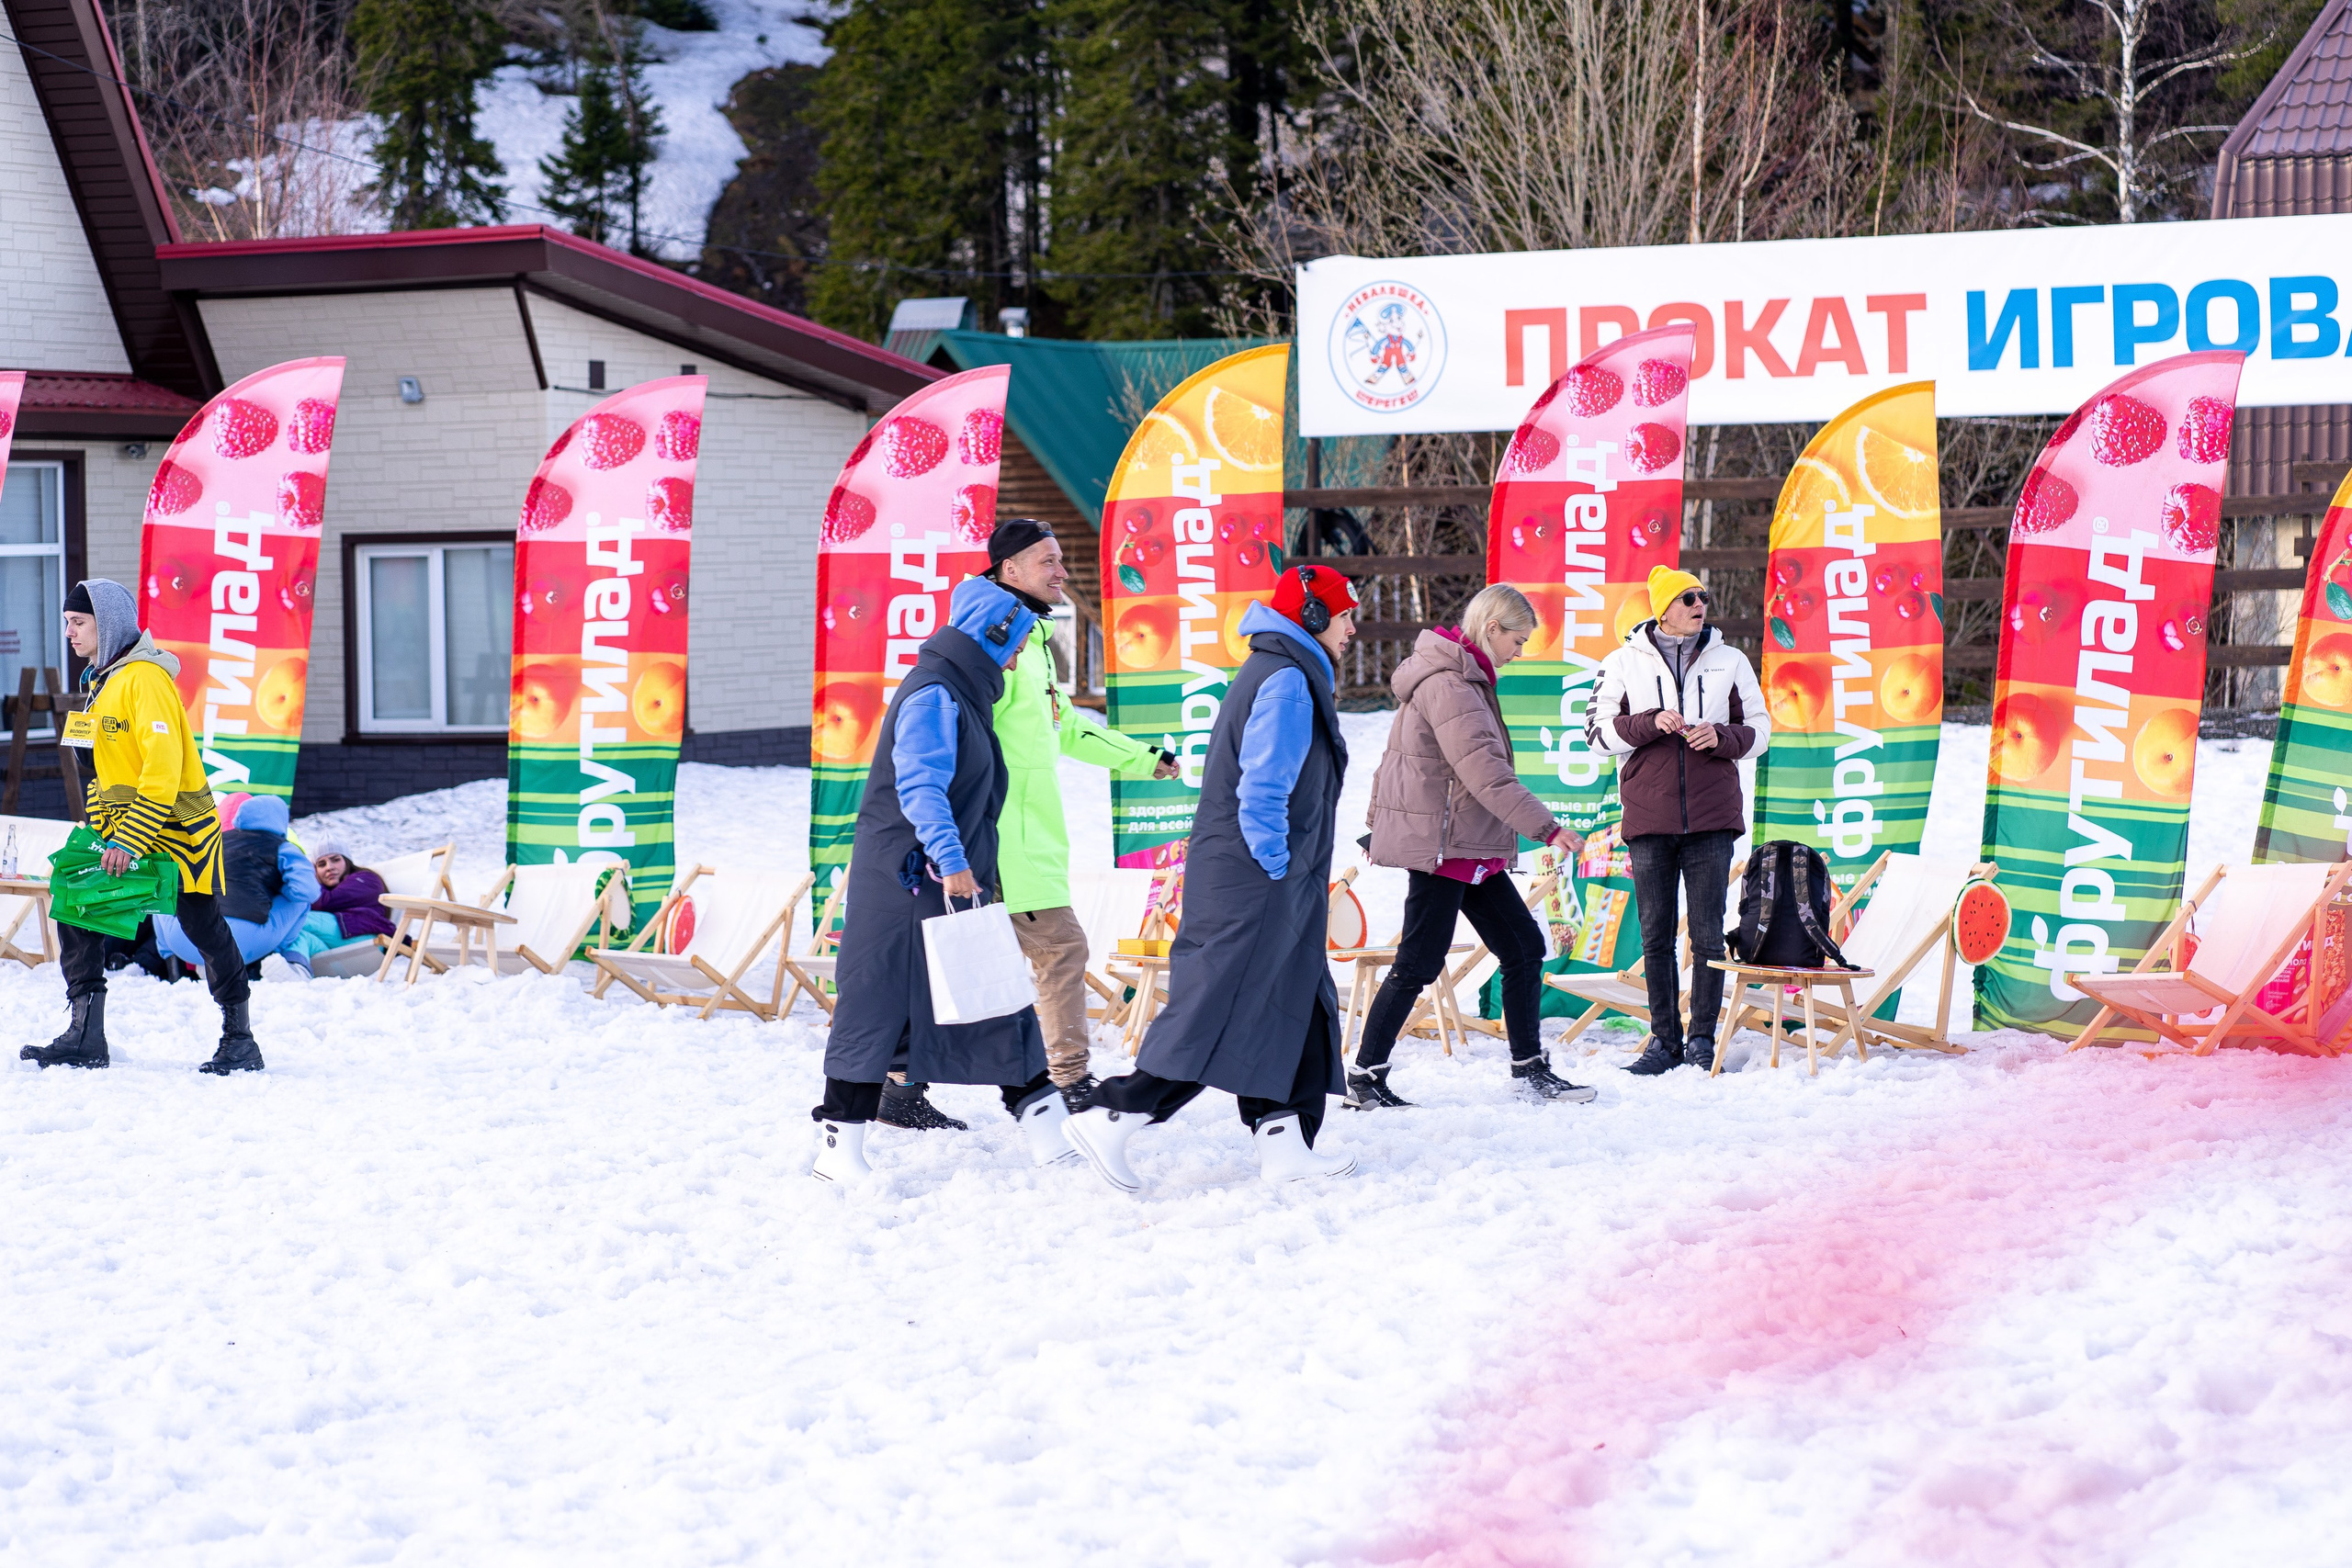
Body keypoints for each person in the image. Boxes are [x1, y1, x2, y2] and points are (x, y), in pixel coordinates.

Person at [1062, 564, 1361, 1193]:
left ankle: (1285, 1140)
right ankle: (1116, 1113)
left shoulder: (1289, 671)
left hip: (1270, 874)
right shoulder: (1285, 680)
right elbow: (1262, 788)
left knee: (1297, 997)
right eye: (1345, 614)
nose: (1353, 627)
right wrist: (1278, 865)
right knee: (1218, 1009)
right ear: (1312, 617)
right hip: (1258, 876)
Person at [812, 574, 1069, 1184]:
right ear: (990, 635)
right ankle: (837, 1150)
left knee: (997, 1000)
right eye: (1014, 644)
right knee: (875, 1010)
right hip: (913, 883)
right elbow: (921, 787)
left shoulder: (962, 688)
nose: (1016, 657)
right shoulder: (935, 694)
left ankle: (1047, 1133)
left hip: (943, 882)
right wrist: (952, 860)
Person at [1352, 583, 1594, 1109]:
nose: (1521, 651)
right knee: (1419, 962)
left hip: (1468, 846)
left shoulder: (1466, 678)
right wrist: (1548, 829)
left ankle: (1529, 1068)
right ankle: (1366, 1077)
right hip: (1446, 849)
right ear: (1492, 630)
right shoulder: (1451, 685)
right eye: (1519, 639)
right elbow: (1486, 773)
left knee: (1524, 947)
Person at [20, 579, 260, 1073]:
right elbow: (101, 769)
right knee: (76, 901)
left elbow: (162, 768)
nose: (69, 631)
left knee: (202, 927)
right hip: (121, 828)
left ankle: (240, 1038)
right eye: (66, 622)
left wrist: (129, 841)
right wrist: (98, 830)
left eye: (78, 622)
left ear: (106, 625)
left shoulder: (145, 680)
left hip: (179, 831)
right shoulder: (98, 681)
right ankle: (85, 1035)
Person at [982, 518, 1179, 1111]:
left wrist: (1144, 759)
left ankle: (899, 1081)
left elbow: (1063, 726)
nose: (1062, 572)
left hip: (1028, 834)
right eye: (1049, 561)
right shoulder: (994, 640)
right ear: (1009, 570)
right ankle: (1068, 1081)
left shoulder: (1032, 638)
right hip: (1000, 837)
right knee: (1059, 951)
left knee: (979, 961)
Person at [1583, 566, 1770, 1076]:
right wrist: (1648, 723)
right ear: (1662, 607)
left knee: (1709, 935)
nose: (1699, 604)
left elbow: (1760, 729)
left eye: (1703, 597)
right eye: (1688, 597)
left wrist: (1722, 737)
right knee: (1655, 936)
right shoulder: (1622, 662)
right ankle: (1663, 1042)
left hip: (1712, 820)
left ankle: (1703, 1040)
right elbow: (1596, 733)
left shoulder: (1730, 660)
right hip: (1648, 819)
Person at [153, 794, 319, 979]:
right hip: (245, 945)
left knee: (162, 894)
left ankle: (174, 968)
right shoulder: (282, 847)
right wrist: (280, 891)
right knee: (300, 901)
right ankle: (272, 958)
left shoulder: (211, 842)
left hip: (185, 940)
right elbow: (307, 890)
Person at [292, 843, 394, 963]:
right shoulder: (324, 889)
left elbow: (326, 902)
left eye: (335, 860)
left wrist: (308, 876)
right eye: (321, 864)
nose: (329, 867)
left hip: (366, 939)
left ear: (347, 861)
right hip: (338, 950)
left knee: (294, 918)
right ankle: (296, 969)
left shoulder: (366, 878)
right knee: (299, 937)